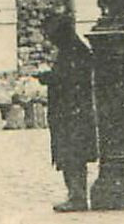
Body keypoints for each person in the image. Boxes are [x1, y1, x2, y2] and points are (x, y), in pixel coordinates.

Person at [40, 12, 97, 212]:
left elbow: (69, 80)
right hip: (70, 112)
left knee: (72, 155)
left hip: (72, 113)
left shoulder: (74, 53)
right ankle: (75, 194)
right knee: (69, 155)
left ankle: (77, 196)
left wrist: (49, 78)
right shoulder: (74, 51)